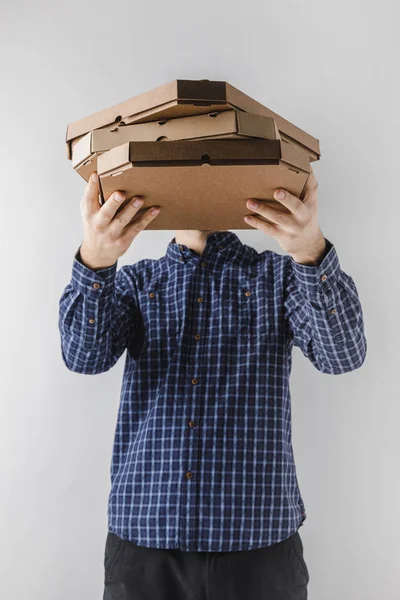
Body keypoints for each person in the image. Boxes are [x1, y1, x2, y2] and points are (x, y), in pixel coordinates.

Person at [58, 168, 367, 600]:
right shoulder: (133, 282)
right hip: (145, 539)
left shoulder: (280, 278)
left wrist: (311, 251)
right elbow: (83, 357)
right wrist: (95, 259)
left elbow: (343, 356)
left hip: (259, 544)